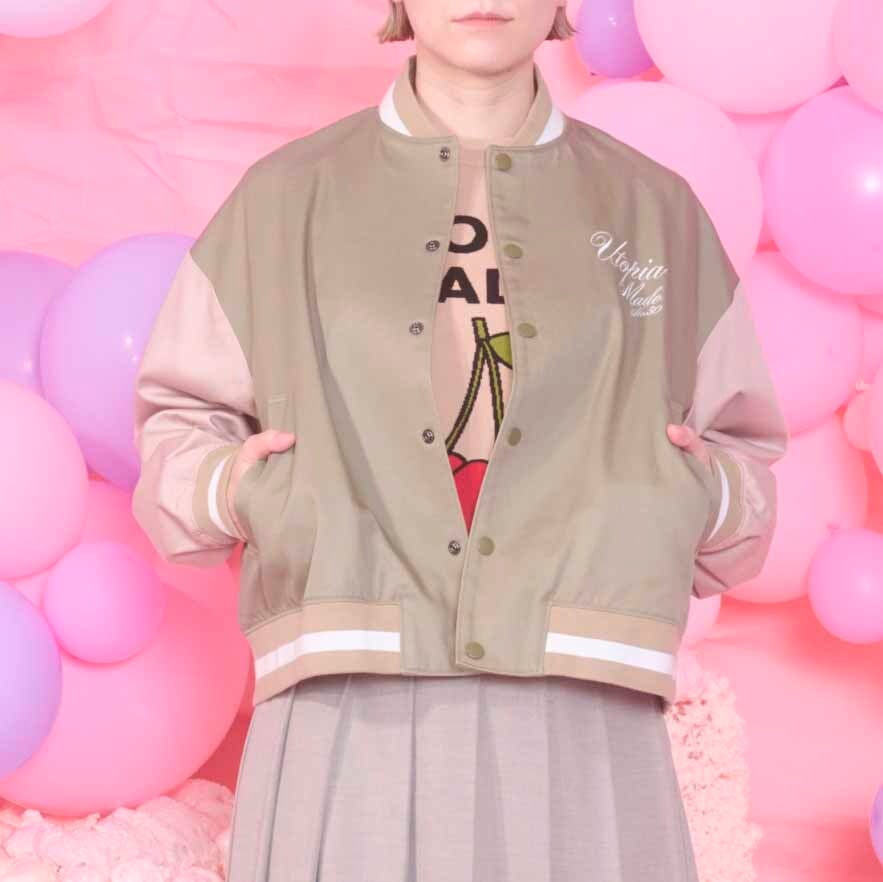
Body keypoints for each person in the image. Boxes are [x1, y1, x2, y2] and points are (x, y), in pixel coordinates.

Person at [131, 1, 788, 879]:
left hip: (586, 699)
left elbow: (744, 456)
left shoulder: (651, 207)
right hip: (346, 687)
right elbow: (178, 426)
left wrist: (695, 494)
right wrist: (242, 490)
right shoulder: (285, 198)